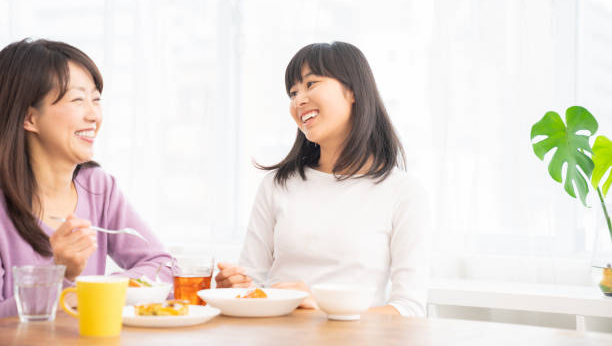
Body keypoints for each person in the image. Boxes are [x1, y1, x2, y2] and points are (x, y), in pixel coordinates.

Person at [215, 41, 431, 316]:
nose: (298, 100)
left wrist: (322, 308)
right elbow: (252, 284)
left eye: (311, 84)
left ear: (352, 91)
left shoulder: (403, 192)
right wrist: (235, 288)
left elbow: (408, 309)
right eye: (293, 92)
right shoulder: (277, 185)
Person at [0, 39, 174, 318]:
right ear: (29, 117)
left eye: (96, 99)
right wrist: (61, 276)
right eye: (78, 100)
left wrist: (99, 288)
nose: (94, 115)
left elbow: (162, 266)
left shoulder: (98, 187)